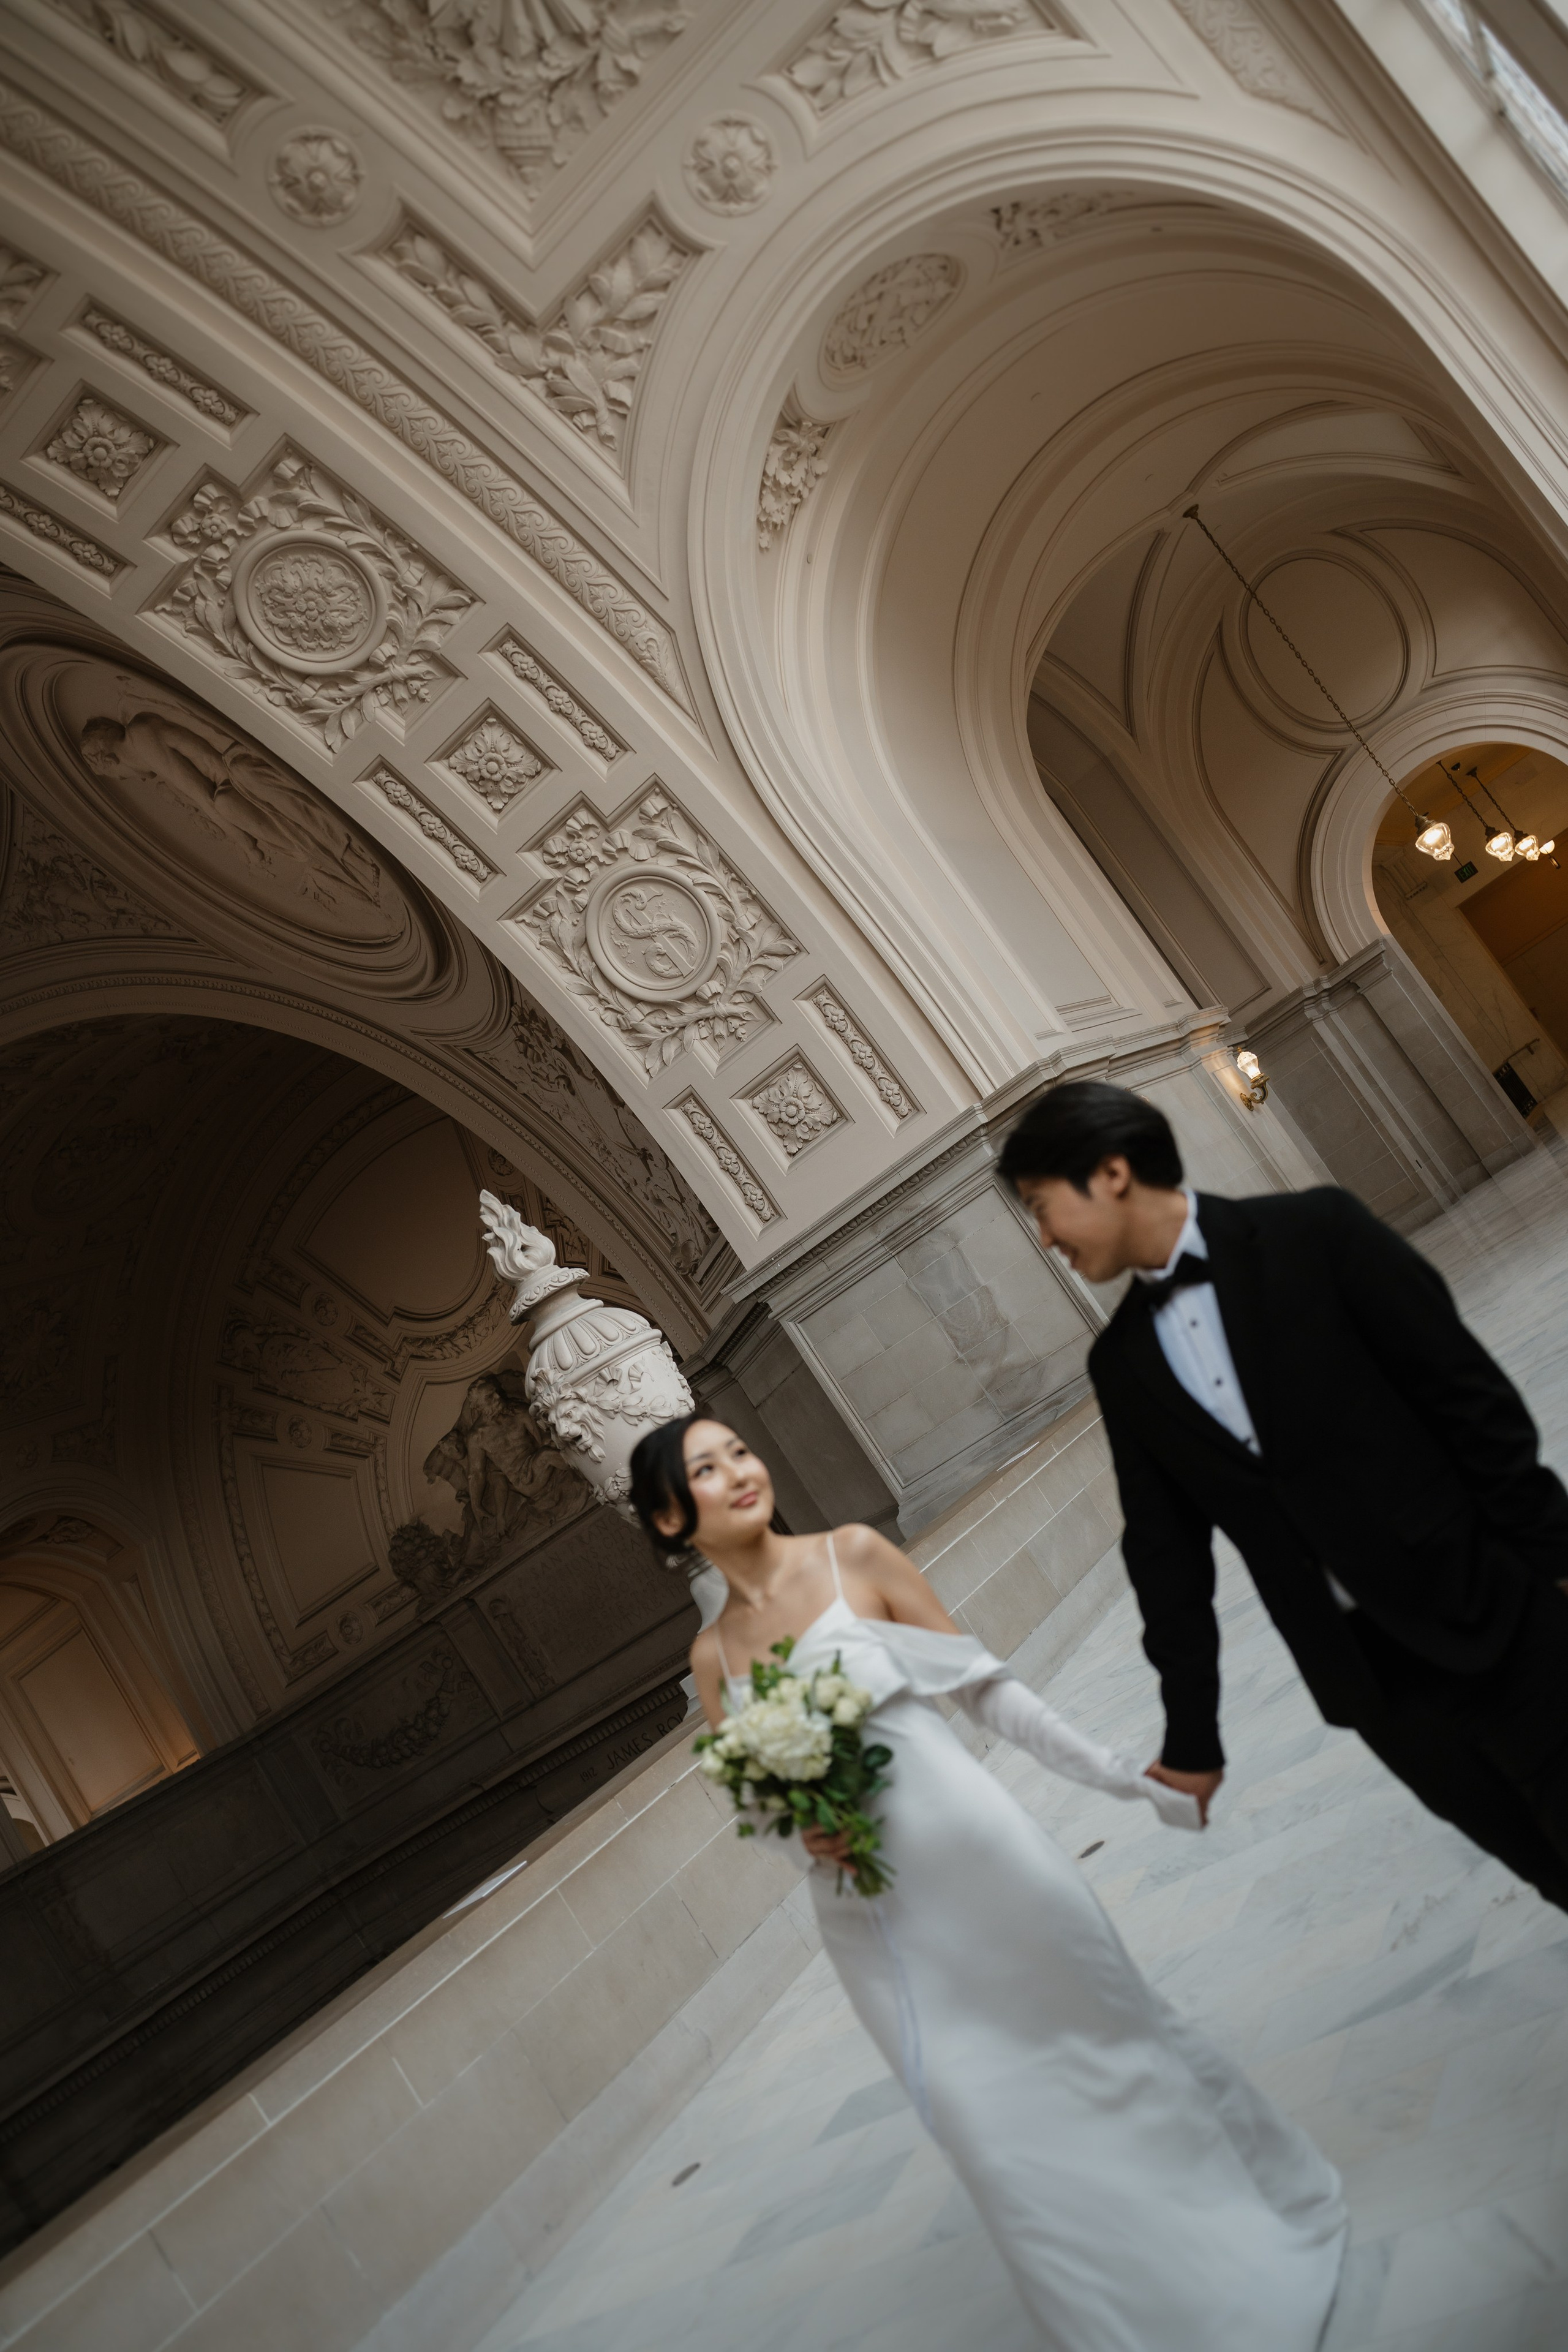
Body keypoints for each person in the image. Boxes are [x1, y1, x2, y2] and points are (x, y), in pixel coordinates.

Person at [630, 1413, 1346, 2351]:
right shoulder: (714, 1658)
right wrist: (802, 1836)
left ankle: (1240, 2248)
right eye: (706, 1468)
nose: (738, 1471)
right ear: (670, 1519)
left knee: (1114, 2042)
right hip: (873, 1924)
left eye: (740, 1451)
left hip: (987, 1867)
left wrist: (1122, 1774)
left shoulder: (855, 1557)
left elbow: (983, 1689)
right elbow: (758, 1806)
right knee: (985, 2129)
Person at [998, 1078, 1568, 1910]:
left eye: (1042, 1207)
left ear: (1112, 1173)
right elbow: (1167, 1560)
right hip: (1371, 1685)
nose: (1046, 1237)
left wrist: (1557, 1559)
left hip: (1494, 1610)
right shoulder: (1120, 1366)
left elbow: (1471, 1405)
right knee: (1547, 1870)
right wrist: (1193, 1738)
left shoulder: (1319, 1233)